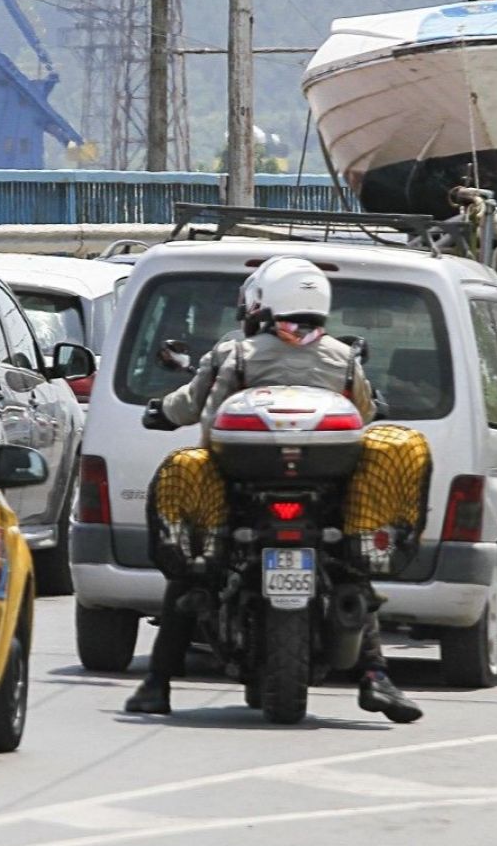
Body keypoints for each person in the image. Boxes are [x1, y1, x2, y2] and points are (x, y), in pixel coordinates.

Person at [126, 258, 425, 724]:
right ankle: (375, 677)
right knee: (349, 570)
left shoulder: (237, 353)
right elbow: (366, 414)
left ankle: (157, 683)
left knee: (191, 573)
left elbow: (194, 406)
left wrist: (159, 411)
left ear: (261, 302)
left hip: (242, 490)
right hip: (322, 495)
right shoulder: (342, 357)